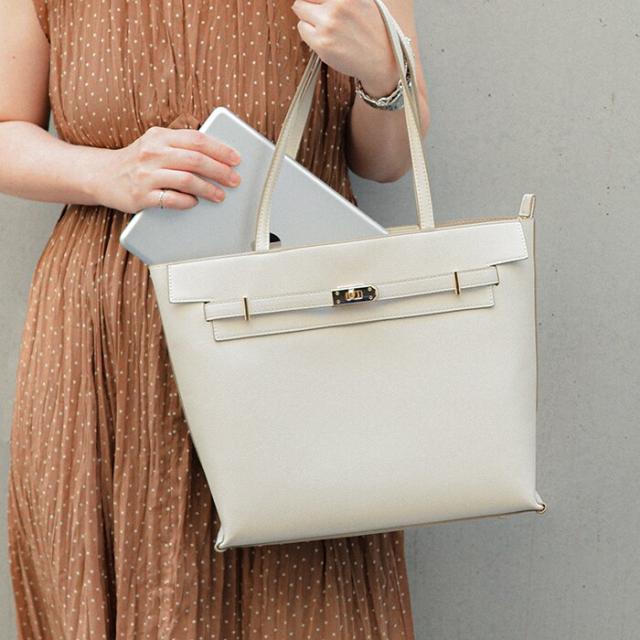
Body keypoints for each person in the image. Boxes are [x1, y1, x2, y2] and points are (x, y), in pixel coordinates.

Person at [0, 0, 430, 637]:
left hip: (292, 319)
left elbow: (387, 162)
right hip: (108, 330)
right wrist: (105, 171)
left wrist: (381, 72)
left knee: (301, 594)